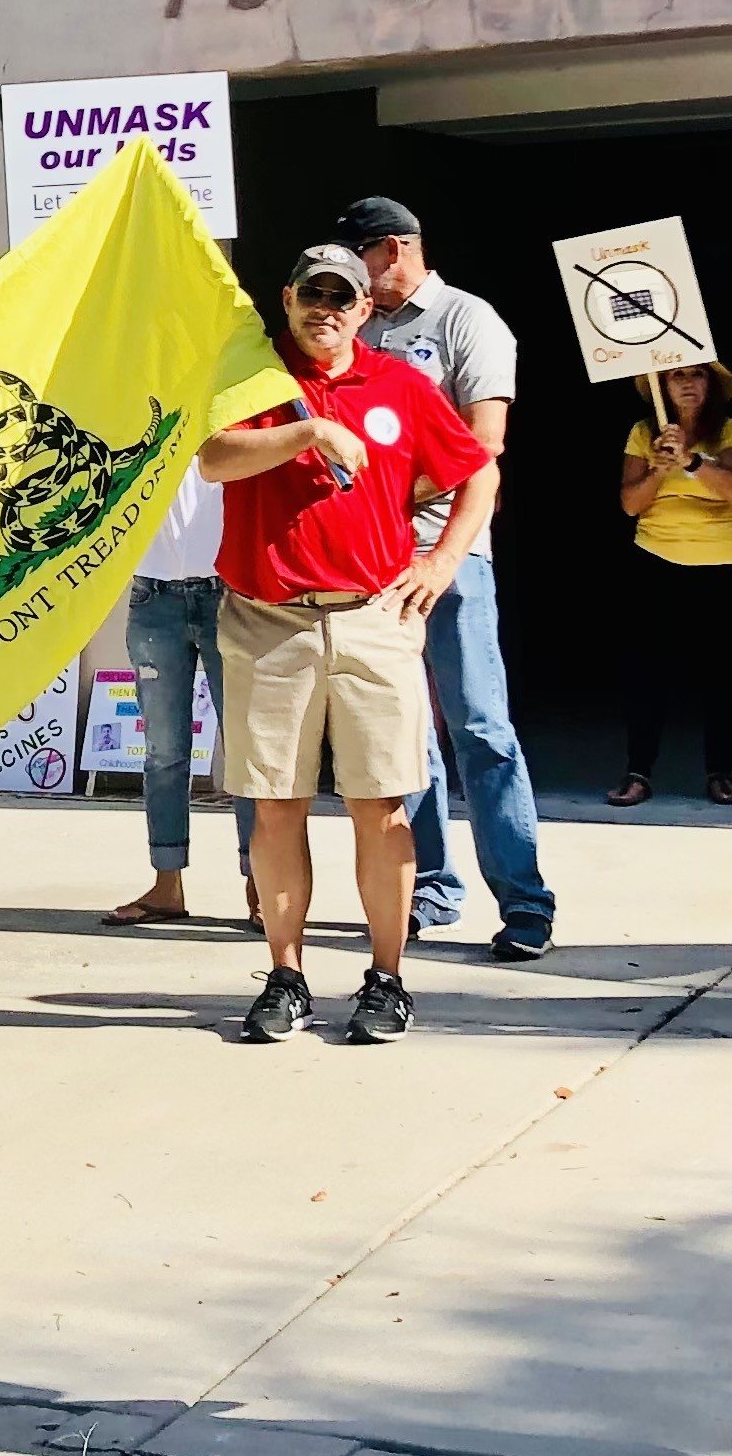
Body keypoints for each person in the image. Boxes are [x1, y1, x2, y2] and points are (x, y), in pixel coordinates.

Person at [200, 243, 498, 1049]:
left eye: (342, 297)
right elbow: (214, 458)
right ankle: (286, 977)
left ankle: (387, 980)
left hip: (372, 616)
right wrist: (307, 432)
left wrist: (441, 562)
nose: (324, 310)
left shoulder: (401, 384)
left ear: (366, 308)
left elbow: (477, 471)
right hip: (268, 619)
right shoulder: (253, 376)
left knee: (383, 804)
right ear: (288, 297)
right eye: (313, 293)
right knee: (275, 805)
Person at [340, 196, 556, 960]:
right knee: (402, 735)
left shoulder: (467, 319)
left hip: (449, 553)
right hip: (370, 562)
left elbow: (483, 443)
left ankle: (524, 902)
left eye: (360, 259)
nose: (353, 277)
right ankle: (429, 888)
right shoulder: (357, 328)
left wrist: (402, 505)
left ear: (395, 249)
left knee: (480, 728)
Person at [608, 361, 732, 807]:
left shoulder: (727, 430)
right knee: (646, 671)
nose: (689, 383)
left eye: (698, 375)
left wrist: (691, 460)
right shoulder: (643, 432)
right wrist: (658, 468)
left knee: (723, 673)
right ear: (663, 385)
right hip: (655, 554)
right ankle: (638, 772)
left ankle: (720, 772)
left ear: (711, 385)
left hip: (721, 557)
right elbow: (630, 504)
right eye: (677, 376)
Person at [99, 467, 226, 927]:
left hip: (228, 590)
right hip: (153, 593)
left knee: (250, 752)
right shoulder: (138, 421)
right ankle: (166, 883)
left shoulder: (238, 419)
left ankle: (262, 886)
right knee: (163, 752)